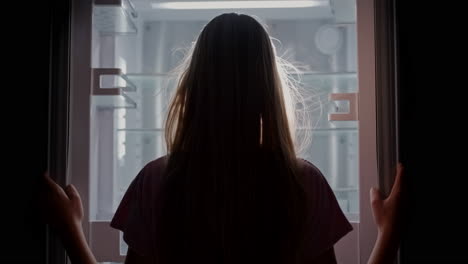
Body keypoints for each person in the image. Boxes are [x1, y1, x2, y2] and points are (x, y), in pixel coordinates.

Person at [43, 13, 404, 264]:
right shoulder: (302, 182)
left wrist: (71, 230)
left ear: (192, 89)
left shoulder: (156, 180)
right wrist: (391, 231)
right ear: (268, 95)